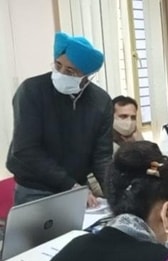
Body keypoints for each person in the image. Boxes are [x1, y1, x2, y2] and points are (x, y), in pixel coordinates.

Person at [6, 32, 112, 207]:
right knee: (40, 236)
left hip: (76, 188)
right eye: (58, 65)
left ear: (86, 77)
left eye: (70, 71)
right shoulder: (31, 91)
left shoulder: (101, 102)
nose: (61, 73)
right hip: (35, 190)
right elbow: (26, 149)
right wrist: (70, 186)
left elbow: (102, 157)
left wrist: (114, 197)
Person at [88, 95, 144, 197]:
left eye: (133, 117)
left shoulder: (137, 137)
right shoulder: (101, 140)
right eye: (123, 116)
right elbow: (94, 181)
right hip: (114, 197)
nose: (129, 122)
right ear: (111, 116)